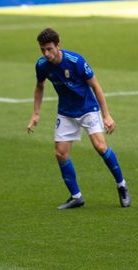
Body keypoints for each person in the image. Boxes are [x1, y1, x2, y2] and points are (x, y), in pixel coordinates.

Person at [26, 28, 131, 209]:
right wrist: (36, 113)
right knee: (60, 153)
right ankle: (76, 197)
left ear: (59, 45)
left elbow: (96, 86)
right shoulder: (42, 65)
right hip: (66, 112)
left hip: (88, 109)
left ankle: (121, 185)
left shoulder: (76, 61)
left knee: (100, 146)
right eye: (43, 49)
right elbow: (39, 86)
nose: (46, 53)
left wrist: (106, 115)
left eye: (50, 48)